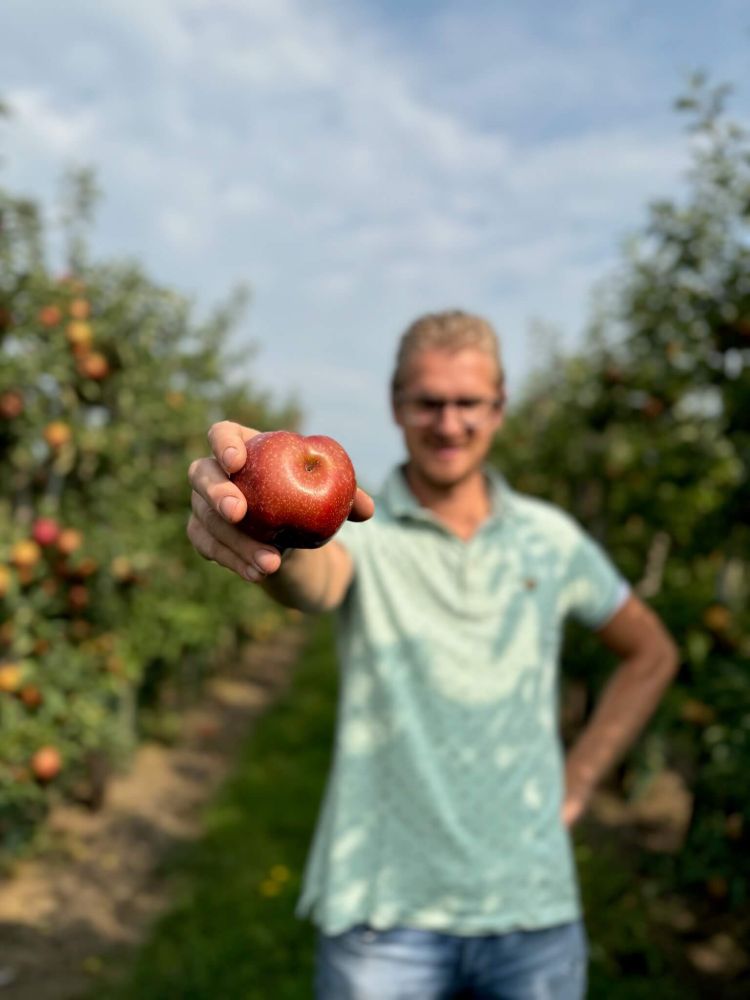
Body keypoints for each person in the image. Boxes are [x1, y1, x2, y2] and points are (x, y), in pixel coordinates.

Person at [187, 310, 679, 1000]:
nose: (449, 424)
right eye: (428, 402)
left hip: (531, 908)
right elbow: (316, 582)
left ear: (500, 407)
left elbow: (650, 652)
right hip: (384, 916)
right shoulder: (365, 527)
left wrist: (582, 777)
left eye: (468, 402)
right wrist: (270, 535)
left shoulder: (551, 539)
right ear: (396, 407)